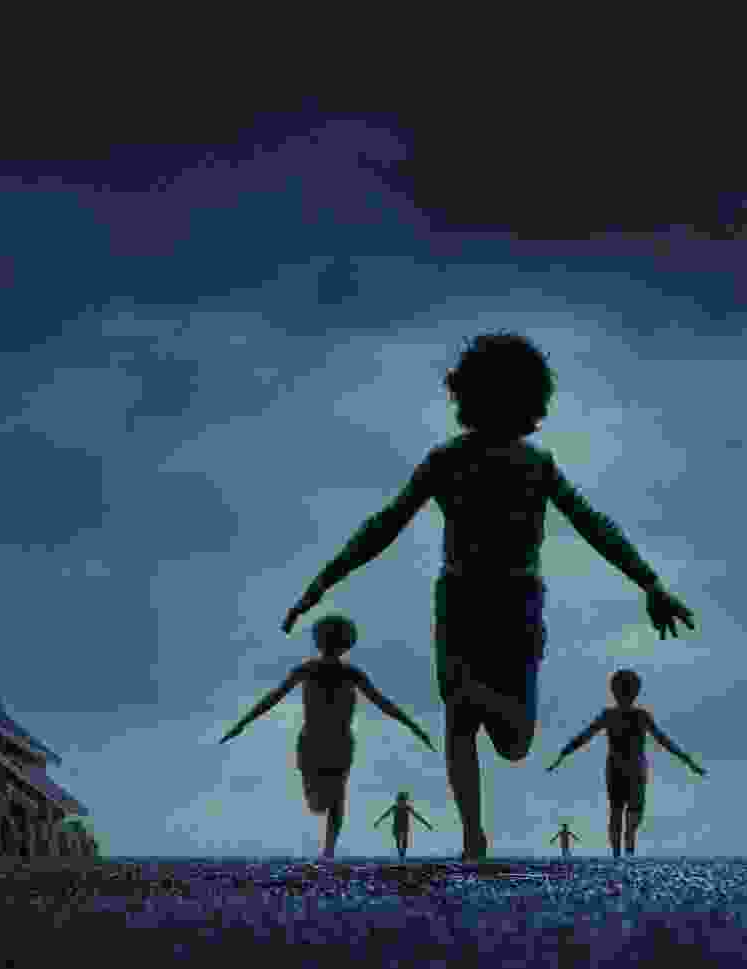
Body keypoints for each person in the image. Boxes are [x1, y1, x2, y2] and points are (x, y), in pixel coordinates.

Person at [280, 332, 699, 860]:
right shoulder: (525, 464)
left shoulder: (460, 461)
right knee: (509, 738)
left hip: (466, 599)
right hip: (509, 600)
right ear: (532, 400)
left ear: (466, 394)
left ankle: (473, 826)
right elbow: (595, 526)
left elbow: (382, 527)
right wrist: (649, 582)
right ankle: (472, 833)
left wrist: (321, 583)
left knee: (470, 723)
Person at [220, 614, 435, 859]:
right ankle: (328, 841)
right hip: (313, 740)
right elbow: (274, 697)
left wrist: (413, 726)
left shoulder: (350, 673)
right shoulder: (309, 669)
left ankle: (329, 850)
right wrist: (242, 723)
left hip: (337, 742)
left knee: (336, 795)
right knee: (319, 802)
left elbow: (382, 702)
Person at [545, 669, 706, 857]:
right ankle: (627, 852)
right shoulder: (639, 716)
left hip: (617, 767)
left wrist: (563, 754)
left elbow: (585, 736)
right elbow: (663, 740)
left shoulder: (611, 715)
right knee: (631, 813)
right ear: (636, 691)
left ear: (613, 690)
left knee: (616, 811)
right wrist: (688, 761)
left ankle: (617, 854)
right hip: (634, 768)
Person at [373, 790, 436, 859]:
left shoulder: (407, 808)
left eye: (403, 802)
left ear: (405, 801)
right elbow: (385, 814)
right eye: (400, 801)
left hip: (404, 828)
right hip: (396, 828)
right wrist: (378, 821)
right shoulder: (394, 807)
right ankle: (400, 855)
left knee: (404, 841)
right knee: (399, 840)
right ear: (397, 801)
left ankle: (402, 856)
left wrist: (427, 824)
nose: (401, 803)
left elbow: (418, 816)